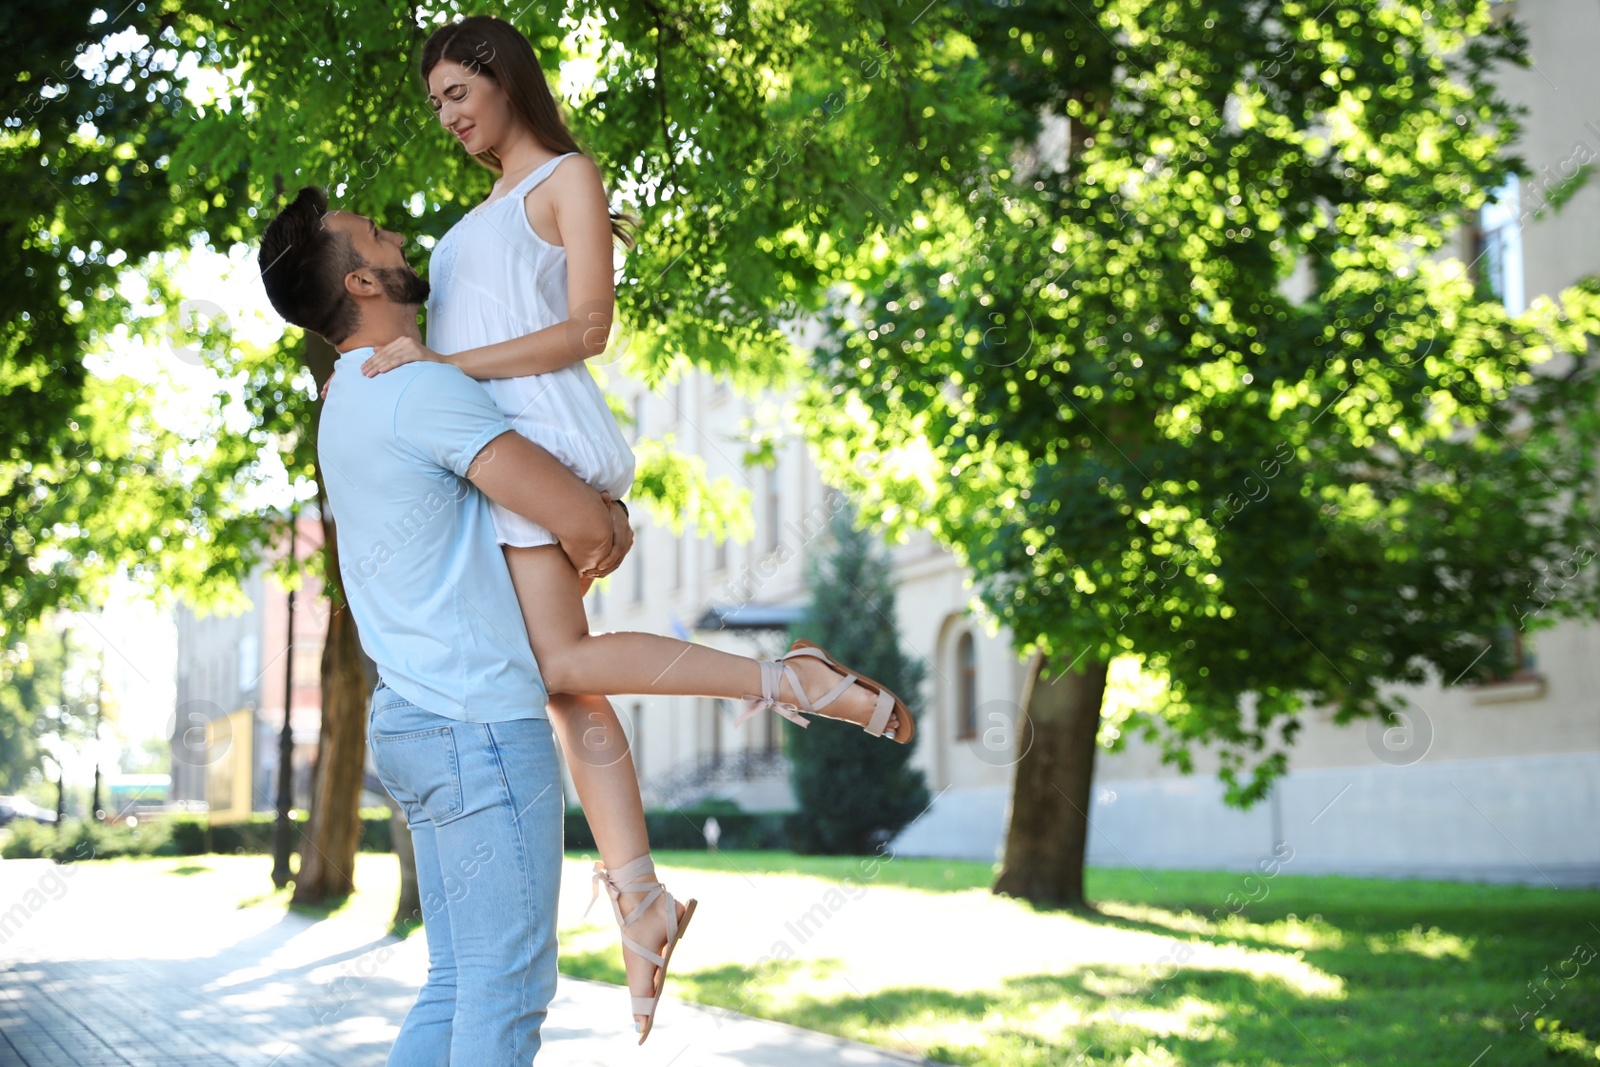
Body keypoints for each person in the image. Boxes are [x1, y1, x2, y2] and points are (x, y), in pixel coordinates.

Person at [348, 13, 922, 1045]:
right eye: (436, 104)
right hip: (494, 446)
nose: (447, 117)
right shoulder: (480, 209)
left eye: (456, 93)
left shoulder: (566, 174)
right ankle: (643, 898)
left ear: (500, 74)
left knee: (562, 662)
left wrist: (444, 371)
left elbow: (586, 328)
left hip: (536, 439)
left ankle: (781, 682)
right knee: (567, 684)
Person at [259, 186, 632, 1064]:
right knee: (506, 996)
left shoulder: (344, 402)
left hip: (416, 725)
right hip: (479, 730)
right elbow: (578, 522)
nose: (394, 233)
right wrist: (608, 517)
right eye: (375, 235)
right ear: (361, 281)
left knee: (460, 984)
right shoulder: (423, 390)